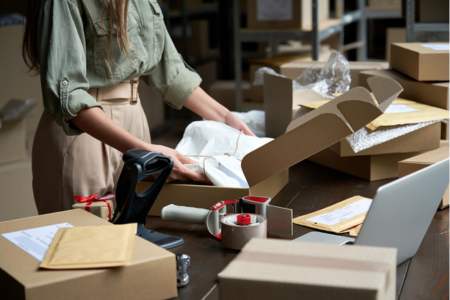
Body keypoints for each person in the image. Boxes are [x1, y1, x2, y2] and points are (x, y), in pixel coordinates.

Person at [23, 0, 254, 214]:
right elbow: (70, 96)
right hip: (84, 132)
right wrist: (144, 150)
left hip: (134, 121)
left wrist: (226, 117)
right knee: (84, 243)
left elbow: (171, 72)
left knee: (134, 236)